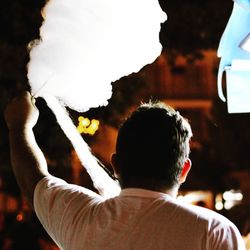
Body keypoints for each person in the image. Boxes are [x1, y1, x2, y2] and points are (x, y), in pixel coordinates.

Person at [4, 91, 246, 250]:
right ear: (184, 170)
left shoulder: (81, 219)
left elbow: (32, 180)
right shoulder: (213, 232)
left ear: (116, 165)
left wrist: (19, 125)